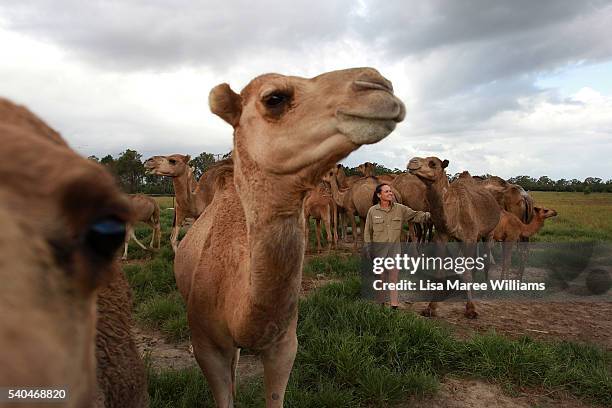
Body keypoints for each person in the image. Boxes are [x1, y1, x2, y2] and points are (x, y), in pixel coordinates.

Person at [363, 183, 430, 309]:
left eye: (390, 191)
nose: (390, 193)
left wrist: (431, 215)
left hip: (394, 251)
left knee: (393, 280)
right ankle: (380, 305)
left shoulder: (400, 209)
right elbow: (368, 231)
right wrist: (367, 248)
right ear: (379, 195)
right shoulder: (372, 211)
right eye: (387, 191)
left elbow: (416, 215)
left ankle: (394, 307)